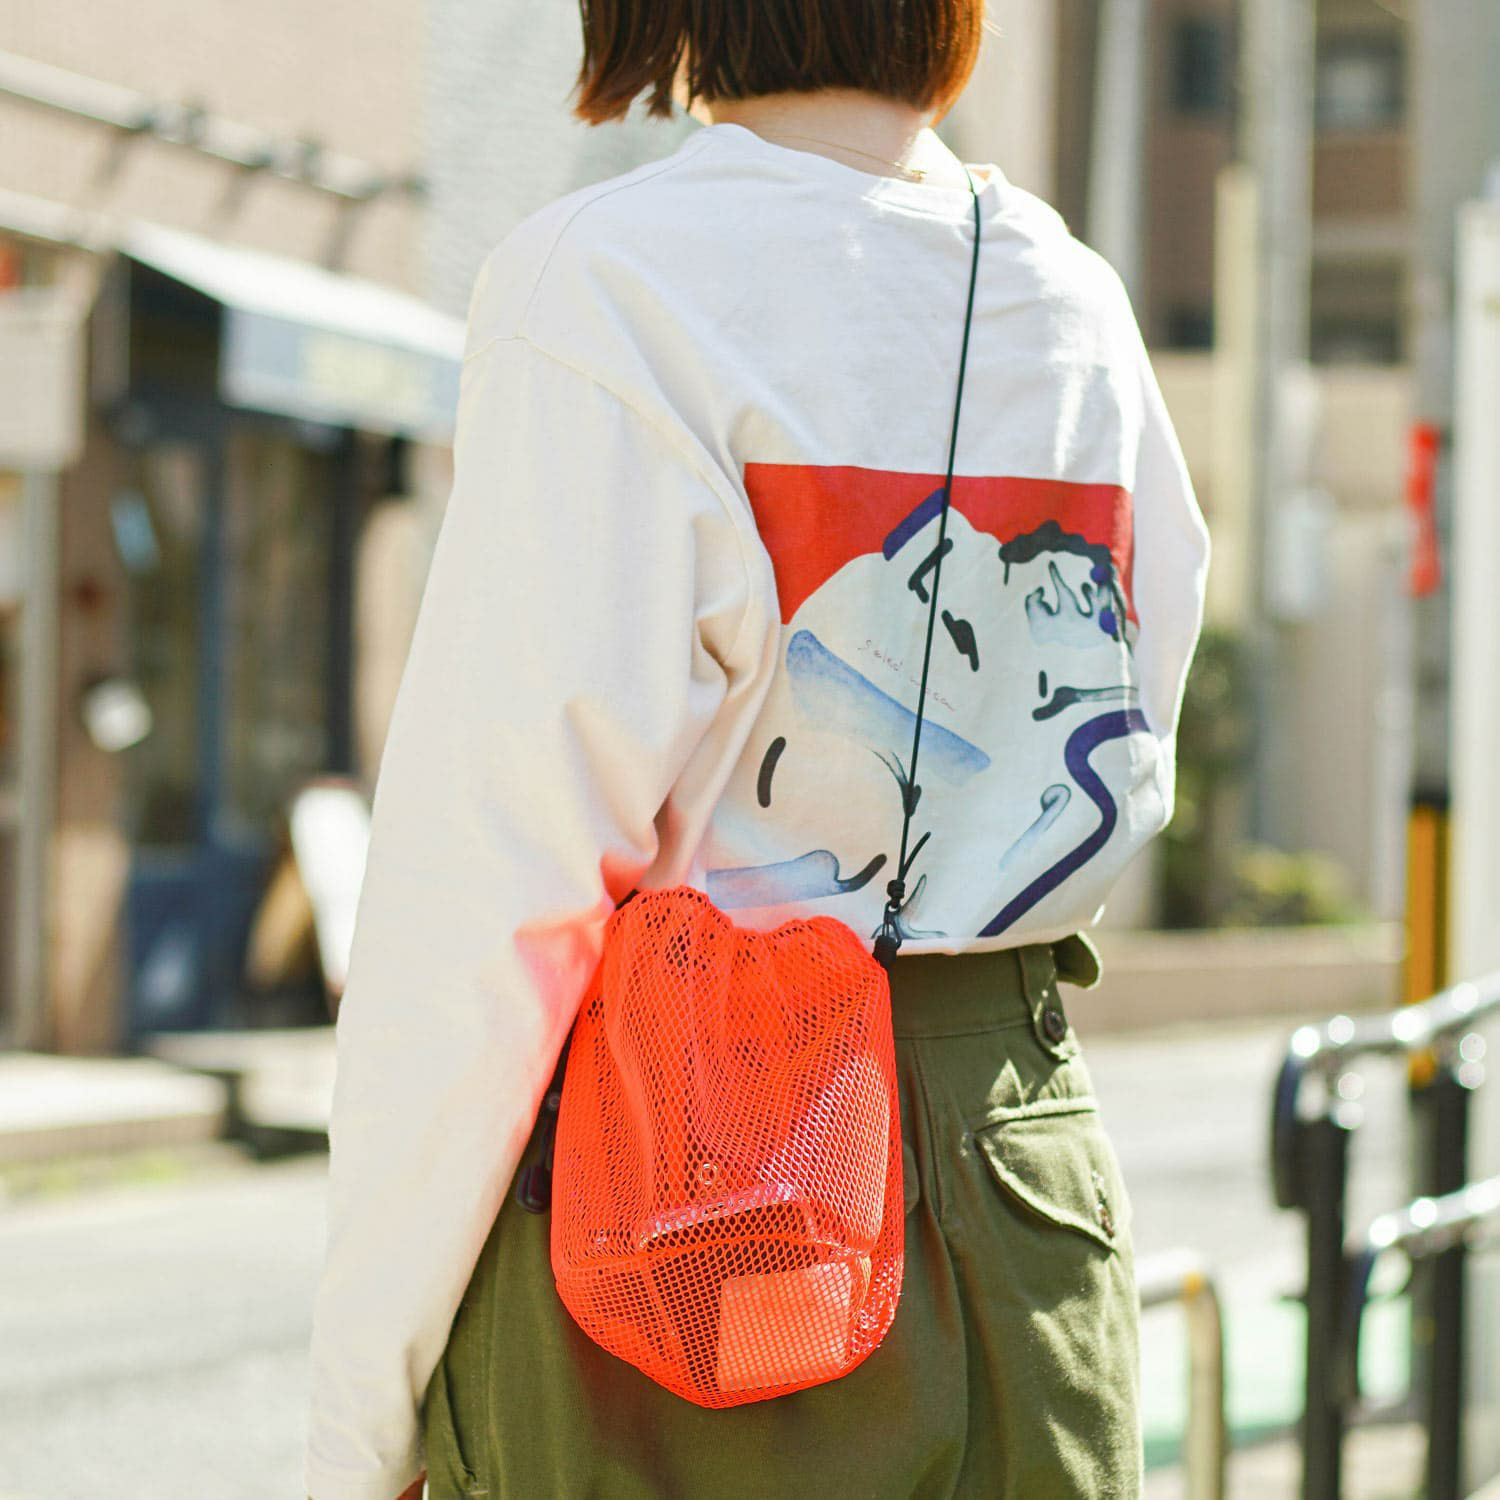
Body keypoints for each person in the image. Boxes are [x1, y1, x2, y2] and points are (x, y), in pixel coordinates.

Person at [304, 3, 1212, 1496]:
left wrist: (363, 1421)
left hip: (687, 1197)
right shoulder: (1073, 300)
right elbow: (1132, 715)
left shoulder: (606, 282)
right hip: (1021, 1183)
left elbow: (493, 888)